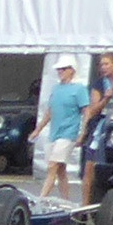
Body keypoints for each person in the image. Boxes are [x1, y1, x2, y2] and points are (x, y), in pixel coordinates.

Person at [37, 57, 86, 200]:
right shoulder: (56, 88)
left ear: (72, 70)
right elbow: (50, 111)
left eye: (64, 69)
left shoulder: (79, 89)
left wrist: (82, 132)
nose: (60, 72)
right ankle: (65, 199)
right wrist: (38, 129)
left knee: (52, 166)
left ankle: (41, 198)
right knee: (60, 169)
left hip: (69, 133)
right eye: (59, 69)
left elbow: (86, 111)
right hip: (54, 133)